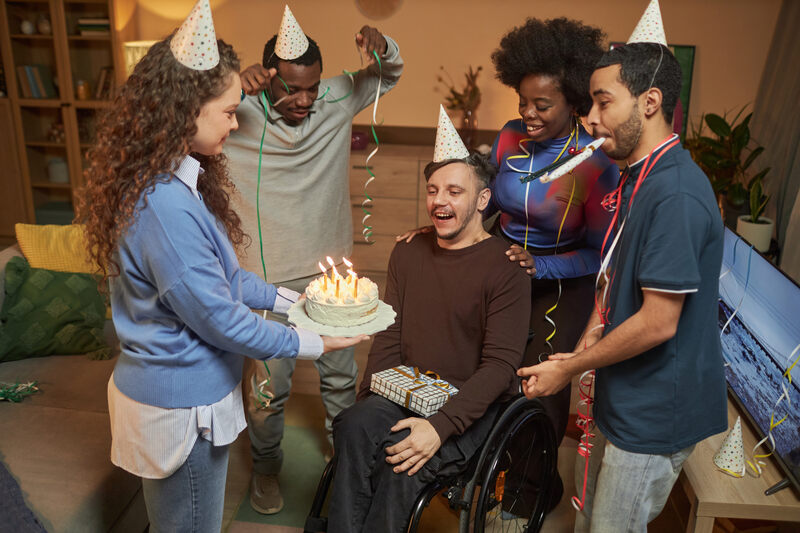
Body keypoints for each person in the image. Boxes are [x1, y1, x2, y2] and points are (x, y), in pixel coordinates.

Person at [75, 4, 366, 530]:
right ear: (188, 111)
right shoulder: (163, 207)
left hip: (192, 398)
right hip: (179, 407)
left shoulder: (178, 183)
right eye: (229, 111)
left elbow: (228, 280)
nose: (238, 121)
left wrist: (295, 302)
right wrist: (316, 341)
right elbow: (221, 320)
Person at [517, 2, 727, 530]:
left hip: (655, 413)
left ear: (650, 102)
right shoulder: (638, 174)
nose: (590, 119)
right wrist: (590, 332)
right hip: (626, 395)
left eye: (603, 102)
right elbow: (617, 274)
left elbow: (660, 321)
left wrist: (568, 367)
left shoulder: (676, 192)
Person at [398, 17, 618, 510]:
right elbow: (488, 201)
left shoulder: (594, 161)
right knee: (485, 368)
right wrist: (446, 224)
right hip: (501, 269)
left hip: (561, 288)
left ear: (575, 102)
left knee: (535, 391)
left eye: (543, 105)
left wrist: (543, 267)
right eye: (523, 101)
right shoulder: (508, 137)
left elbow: (600, 253)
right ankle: (480, 467)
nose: (528, 113)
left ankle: (528, 495)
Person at [223, 7, 404, 514]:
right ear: (268, 80)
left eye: (311, 87)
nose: (303, 100)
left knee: (341, 380)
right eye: (290, 89)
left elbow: (389, 73)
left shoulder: (338, 95)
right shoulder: (240, 107)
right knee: (267, 391)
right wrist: (234, 85)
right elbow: (190, 112)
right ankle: (265, 471)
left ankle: (342, 459)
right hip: (262, 276)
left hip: (328, 277)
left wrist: (381, 43)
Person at [328, 134, 531, 532]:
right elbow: (390, 332)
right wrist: (370, 394)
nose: (440, 201)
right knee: (353, 425)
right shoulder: (409, 251)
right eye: (433, 190)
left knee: (401, 463)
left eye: (455, 191)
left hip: (469, 406)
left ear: (483, 200)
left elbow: (500, 367)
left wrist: (439, 427)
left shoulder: (507, 268)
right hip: (405, 388)